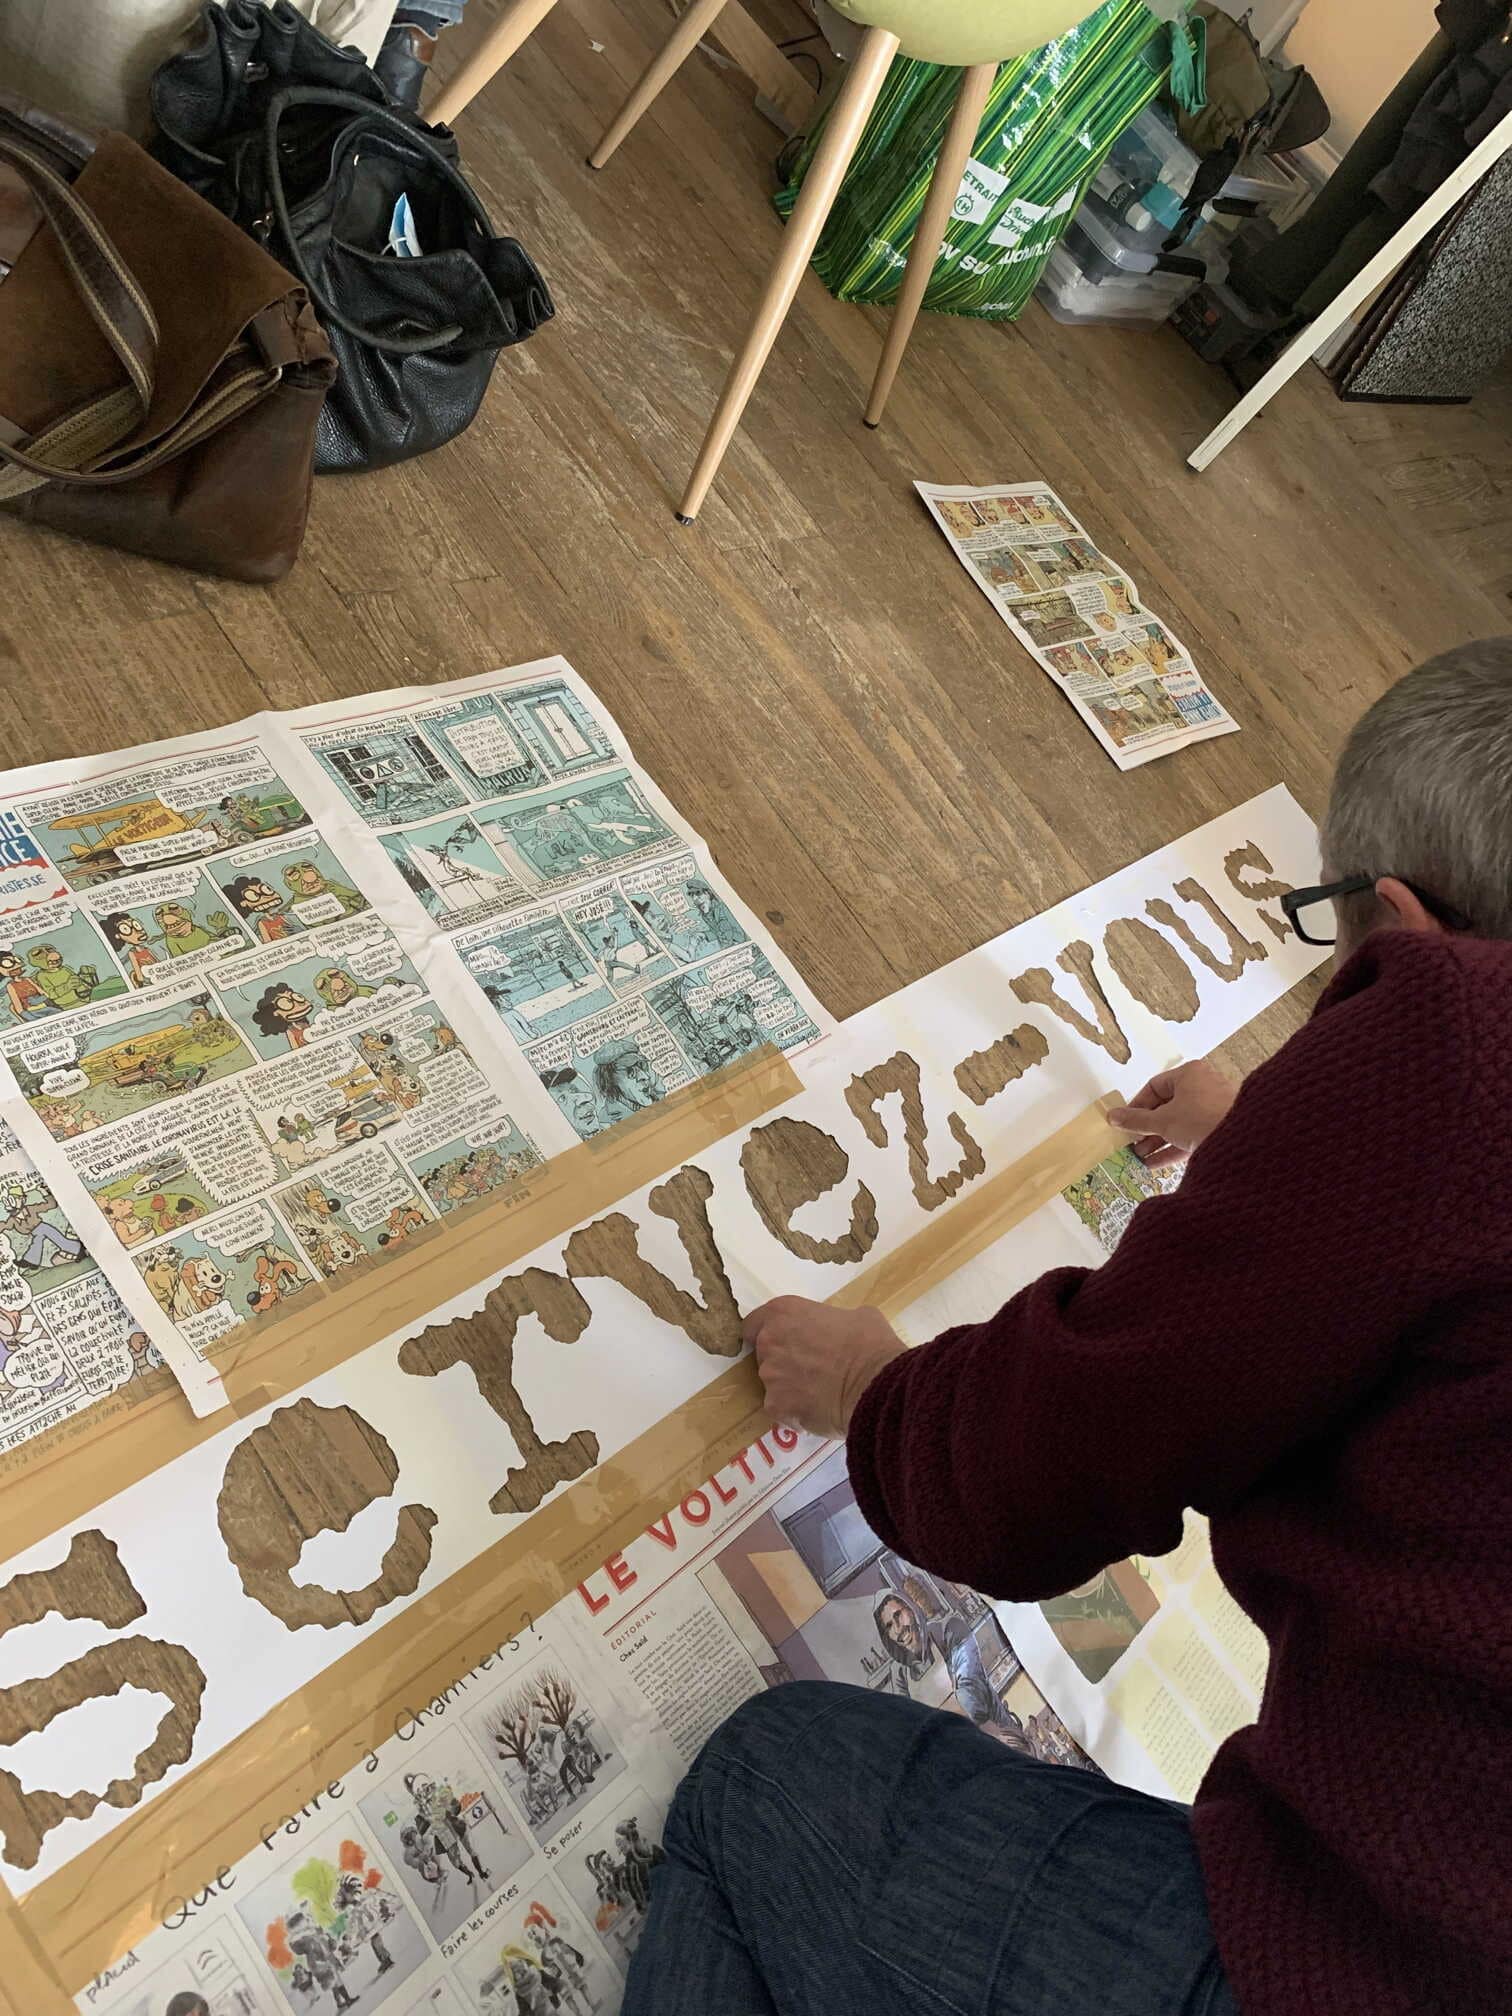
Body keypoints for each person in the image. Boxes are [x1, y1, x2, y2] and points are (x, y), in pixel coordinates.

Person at [621, 641, 1512, 2016]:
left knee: (765, 1783)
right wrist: (1298, 1152)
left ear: (1392, 917)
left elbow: (1027, 1487)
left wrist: (868, 1386)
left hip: (1374, 1970)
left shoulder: (1458, 1038)